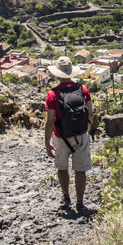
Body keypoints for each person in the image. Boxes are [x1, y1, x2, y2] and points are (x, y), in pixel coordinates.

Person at [44, 56, 94, 213]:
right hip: (81, 135)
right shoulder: (82, 89)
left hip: (61, 137)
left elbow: (50, 121)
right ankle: (80, 202)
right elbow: (91, 114)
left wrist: (47, 142)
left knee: (62, 167)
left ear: (57, 74)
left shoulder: (53, 94)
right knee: (80, 170)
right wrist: (85, 132)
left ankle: (66, 197)